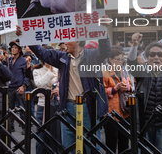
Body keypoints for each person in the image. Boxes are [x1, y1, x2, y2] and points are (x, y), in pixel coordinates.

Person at [15, 15, 111, 154]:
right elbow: (43, 53)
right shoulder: (62, 57)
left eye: (69, 38)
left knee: (91, 145)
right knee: (68, 146)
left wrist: (103, 28)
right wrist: (26, 36)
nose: (65, 42)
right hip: (67, 107)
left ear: (78, 41)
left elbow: (105, 50)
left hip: (87, 107)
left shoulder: (91, 56)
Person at [103, 49, 131, 153]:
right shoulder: (105, 73)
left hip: (124, 112)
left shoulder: (123, 72)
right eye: (117, 59)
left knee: (124, 142)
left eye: (121, 59)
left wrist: (127, 88)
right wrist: (115, 88)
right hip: (111, 112)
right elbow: (102, 91)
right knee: (111, 142)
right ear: (110, 59)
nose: (119, 62)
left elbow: (131, 86)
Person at [33, 46, 59, 154]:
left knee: (55, 134)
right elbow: (39, 85)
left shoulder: (58, 69)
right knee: (41, 135)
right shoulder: (37, 70)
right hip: (42, 104)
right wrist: (49, 71)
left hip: (56, 104)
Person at [6, 40, 28, 134]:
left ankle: (24, 127)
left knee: (22, 108)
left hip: (19, 87)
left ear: (19, 49)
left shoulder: (23, 60)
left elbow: (27, 75)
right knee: (10, 108)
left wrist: (23, 86)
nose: (13, 49)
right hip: (10, 87)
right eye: (12, 48)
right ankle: (11, 126)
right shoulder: (9, 60)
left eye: (15, 48)